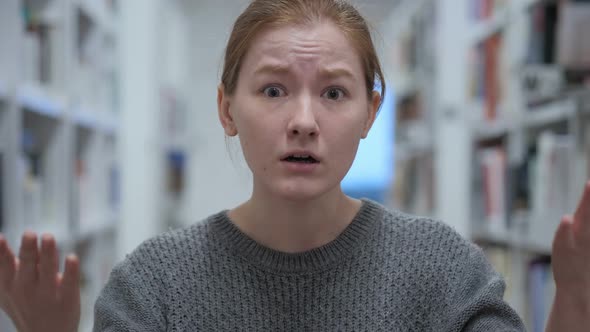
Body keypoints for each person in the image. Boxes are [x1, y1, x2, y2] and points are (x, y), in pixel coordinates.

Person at [1, 0, 589, 331]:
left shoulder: (442, 274)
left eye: (334, 93)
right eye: (274, 90)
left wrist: (576, 308)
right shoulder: (153, 288)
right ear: (227, 109)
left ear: (370, 112)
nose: (304, 120)